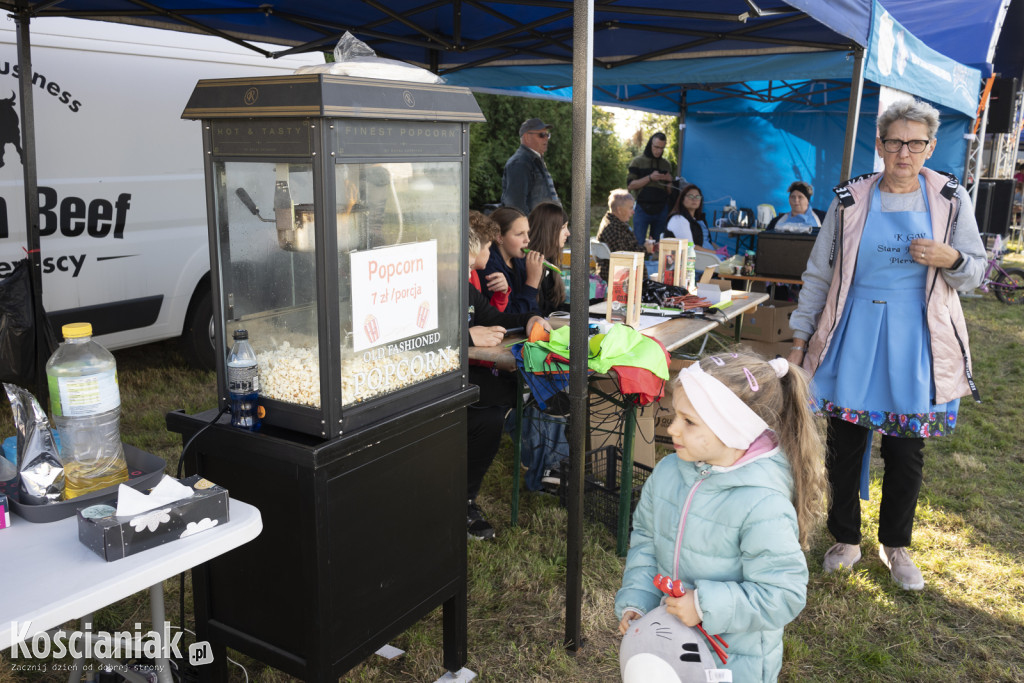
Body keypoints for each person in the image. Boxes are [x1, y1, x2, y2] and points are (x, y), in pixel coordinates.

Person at [787, 97, 986, 591]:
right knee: (844, 444)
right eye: (895, 142)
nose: (904, 152)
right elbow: (818, 273)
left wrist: (952, 257)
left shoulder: (952, 199)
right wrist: (799, 336)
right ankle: (846, 538)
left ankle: (896, 545)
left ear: (930, 147)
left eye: (915, 144)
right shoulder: (850, 199)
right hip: (853, 328)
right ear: (879, 144)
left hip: (915, 335)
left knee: (906, 449)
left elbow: (978, 272)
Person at [616, 351, 827, 682]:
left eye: (689, 421)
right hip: (671, 648)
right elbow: (646, 539)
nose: (672, 428)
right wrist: (638, 602)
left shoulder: (761, 502)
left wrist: (704, 605)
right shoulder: (669, 471)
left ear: (733, 428)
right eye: (675, 415)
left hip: (734, 661)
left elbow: (783, 594)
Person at [466, 211, 549, 540]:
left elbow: (497, 317)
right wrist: (468, 337)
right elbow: (417, 338)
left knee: (509, 398)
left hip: (468, 378)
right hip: (435, 385)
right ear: (475, 247)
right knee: (493, 411)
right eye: (486, 246)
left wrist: (529, 319)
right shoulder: (440, 284)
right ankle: (465, 500)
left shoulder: (466, 286)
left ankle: (467, 497)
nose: (488, 255)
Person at [480, 206, 545, 314]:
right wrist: (532, 282)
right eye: (520, 234)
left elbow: (533, 309)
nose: (527, 240)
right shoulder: (488, 266)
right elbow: (510, 316)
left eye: (527, 233)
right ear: (499, 237)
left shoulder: (518, 260)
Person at [500, 118, 561, 216]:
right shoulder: (520, 163)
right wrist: (530, 229)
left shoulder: (534, 160)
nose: (546, 138)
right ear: (527, 137)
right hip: (535, 229)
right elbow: (515, 206)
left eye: (547, 135)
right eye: (541, 135)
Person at [627, 132, 675, 244]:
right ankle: (640, 261)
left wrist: (670, 181)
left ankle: (653, 261)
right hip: (642, 208)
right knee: (638, 244)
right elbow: (630, 185)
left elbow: (669, 192)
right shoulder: (637, 161)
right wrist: (650, 178)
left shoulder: (666, 164)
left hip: (661, 209)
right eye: (656, 147)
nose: (659, 151)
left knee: (659, 247)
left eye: (662, 148)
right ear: (650, 144)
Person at [596, 188, 652, 282]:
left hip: (621, 275)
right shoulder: (613, 228)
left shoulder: (614, 223)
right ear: (619, 209)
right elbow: (625, 257)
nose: (633, 212)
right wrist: (646, 249)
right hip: (622, 280)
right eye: (630, 208)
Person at [526, 201, 570, 315]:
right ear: (549, 229)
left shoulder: (550, 259)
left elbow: (556, 306)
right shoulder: (530, 262)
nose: (568, 233)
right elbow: (540, 309)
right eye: (563, 227)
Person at [665, 183, 717, 253]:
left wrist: (719, 249)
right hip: (694, 258)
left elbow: (705, 240)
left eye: (698, 197)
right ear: (682, 199)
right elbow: (689, 247)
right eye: (690, 196)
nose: (694, 199)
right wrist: (717, 253)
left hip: (707, 255)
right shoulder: (679, 219)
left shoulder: (697, 219)